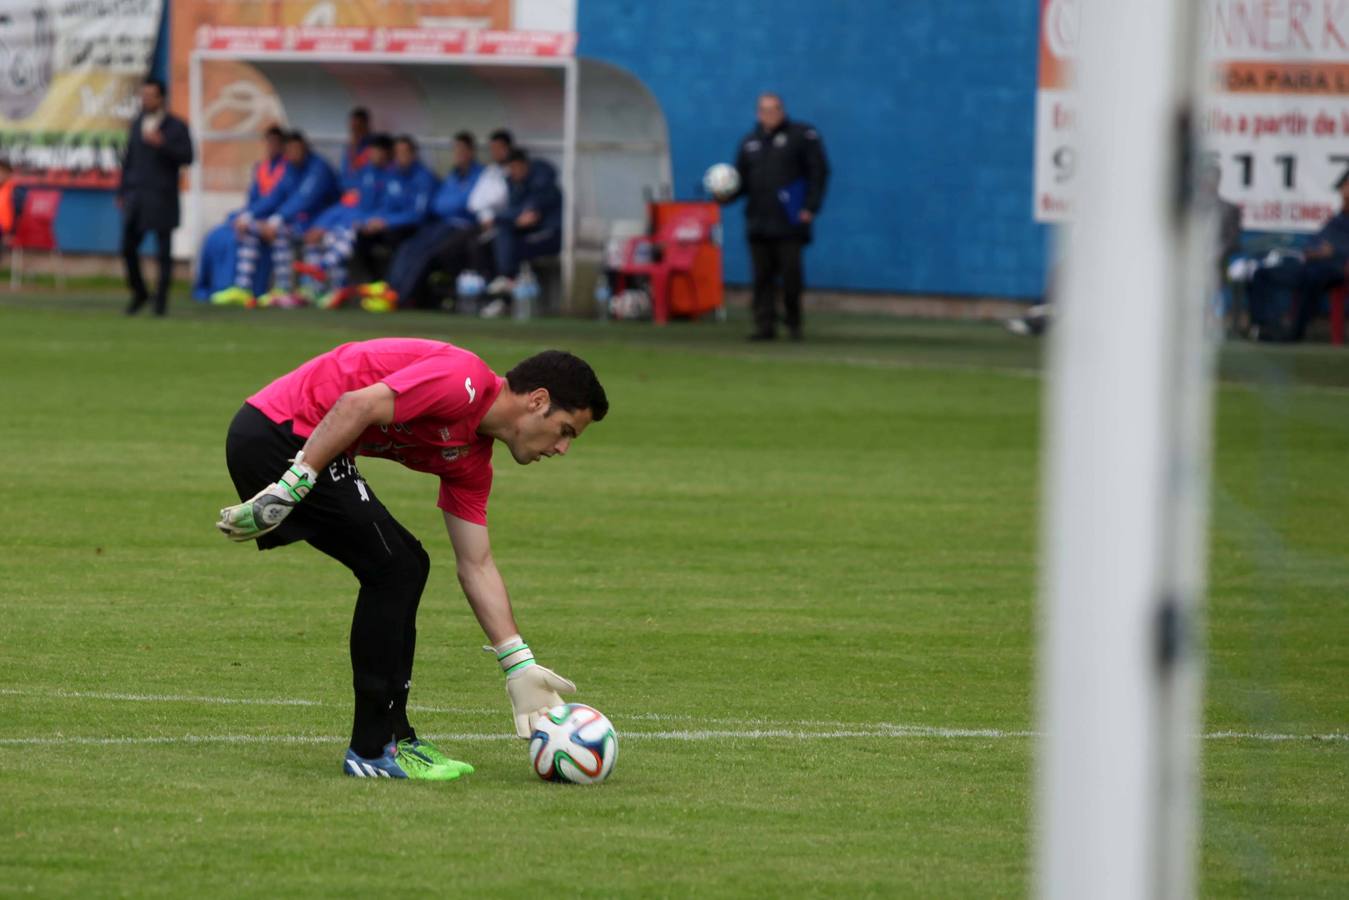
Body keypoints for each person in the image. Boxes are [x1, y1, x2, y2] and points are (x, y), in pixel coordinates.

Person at [216, 340, 609, 779]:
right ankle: (372, 749)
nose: (561, 449)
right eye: (566, 431)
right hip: (283, 433)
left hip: (308, 446)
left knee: (406, 565)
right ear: (538, 401)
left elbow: (476, 563)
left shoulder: (473, 462)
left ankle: (395, 740)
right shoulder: (463, 383)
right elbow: (356, 404)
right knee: (395, 568)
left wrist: (518, 665)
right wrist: (291, 486)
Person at [723, 92, 829, 341]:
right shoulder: (750, 143)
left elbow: (819, 173)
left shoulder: (801, 136)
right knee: (761, 278)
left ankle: (794, 323)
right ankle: (764, 325)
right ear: (758, 113)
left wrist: (810, 207)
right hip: (758, 222)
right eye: (764, 110)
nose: (770, 115)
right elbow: (740, 182)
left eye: (775, 109)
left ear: (782, 110)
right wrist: (724, 194)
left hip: (790, 222)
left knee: (792, 277)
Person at [212, 130, 339, 308]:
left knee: (279, 231)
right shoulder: (289, 168)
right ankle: (243, 288)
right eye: (289, 150)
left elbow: (304, 200)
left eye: (296, 149)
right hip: (298, 223)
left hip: (323, 223)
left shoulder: (318, 168)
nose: (292, 154)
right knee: (248, 229)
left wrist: (275, 220)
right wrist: (248, 215)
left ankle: (293, 289)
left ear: (304, 148)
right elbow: (274, 196)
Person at [385, 131, 508, 310]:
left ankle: (401, 297)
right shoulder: (453, 175)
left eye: (462, 150)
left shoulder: (481, 174)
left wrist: (453, 204)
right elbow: (438, 204)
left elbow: (471, 204)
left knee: (429, 253)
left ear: (471, 152)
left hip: (463, 226)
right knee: (409, 246)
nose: (458, 155)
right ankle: (390, 288)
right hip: (442, 223)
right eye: (456, 151)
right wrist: (454, 204)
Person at [119, 78, 194, 316]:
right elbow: (129, 160)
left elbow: (188, 157)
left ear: (162, 98)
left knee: (163, 253)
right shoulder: (138, 123)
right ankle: (139, 292)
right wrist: (122, 190)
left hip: (163, 198)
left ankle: (160, 302)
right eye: (144, 95)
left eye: (151, 95)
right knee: (127, 248)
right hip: (137, 197)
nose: (146, 100)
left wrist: (163, 145)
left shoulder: (175, 127)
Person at [1246, 173, 1349, 341]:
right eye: (1344, 187)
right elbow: (1313, 245)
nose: (1344, 192)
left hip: (1335, 269)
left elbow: (1335, 250)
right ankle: (1266, 326)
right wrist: (1316, 251)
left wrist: (1335, 251)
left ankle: (1295, 333)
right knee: (1261, 274)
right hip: (1310, 264)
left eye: (1347, 188)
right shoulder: (1336, 220)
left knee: (1313, 277)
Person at [193, 126, 288, 300]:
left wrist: (259, 218)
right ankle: (240, 288)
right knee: (229, 230)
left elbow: (278, 199)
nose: (271, 146)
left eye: (275, 143)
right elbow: (253, 200)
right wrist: (244, 216)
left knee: (254, 231)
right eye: (269, 142)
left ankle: (281, 289)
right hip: (259, 219)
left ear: (282, 145)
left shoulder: (288, 169)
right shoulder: (261, 167)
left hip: (278, 220)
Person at [302, 133, 394, 308]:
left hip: (379, 228)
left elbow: (386, 209)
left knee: (344, 235)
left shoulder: (393, 177)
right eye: (371, 152)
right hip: (358, 223)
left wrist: (370, 220)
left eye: (376, 152)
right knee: (330, 236)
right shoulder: (366, 174)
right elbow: (349, 204)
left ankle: (322, 269)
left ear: (386, 154)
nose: (372, 156)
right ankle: (322, 291)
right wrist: (322, 224)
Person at [353, 135, 438, 310]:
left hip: (417, 228)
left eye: (404, 153)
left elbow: (418, 214)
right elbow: (385, 205)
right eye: (397, 153)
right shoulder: (392, 176)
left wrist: (387, 222)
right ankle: (376, 284)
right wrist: (372, 221)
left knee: (396, 239)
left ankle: (393, 291)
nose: (401, 157)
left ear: (414, 154)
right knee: (363, 237)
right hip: (390, 225)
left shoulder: (424, 178)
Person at [480, 148, 562, 317]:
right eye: (510, 169)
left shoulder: (542, 184)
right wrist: (505, 218)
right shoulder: (516, 185)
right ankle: (503, 290)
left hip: (550, 234)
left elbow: (528, 217)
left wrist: (499, 218)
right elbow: (516, 215)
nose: (513, 172)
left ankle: (508, 287)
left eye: (515, 168)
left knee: (511, 247)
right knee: (488, 244)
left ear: (524, 166)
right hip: (530, 234)